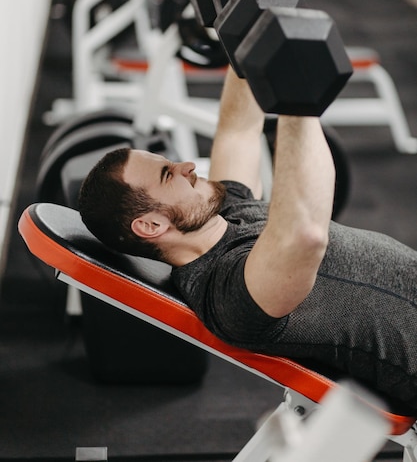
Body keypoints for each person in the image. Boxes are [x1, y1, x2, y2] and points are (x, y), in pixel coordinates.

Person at [78, 66, 417, 416]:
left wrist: (248, 31)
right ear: (150, 225)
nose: (188, 166)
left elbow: (238, 129)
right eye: (168, 174)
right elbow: (305, 234)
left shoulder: (225, 212)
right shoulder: (227, 295)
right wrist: (296, 99)